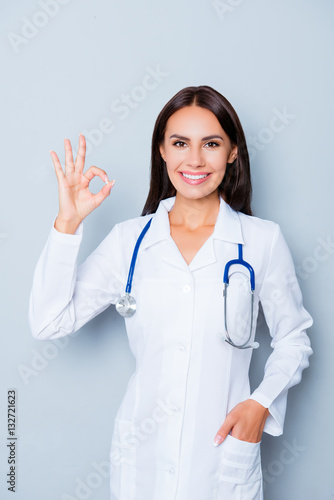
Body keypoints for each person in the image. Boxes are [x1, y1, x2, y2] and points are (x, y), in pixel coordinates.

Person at [29, 85, 313, 500]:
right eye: (180, 143)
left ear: (233, 152)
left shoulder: (261, 241)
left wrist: (260, 405)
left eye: (211, 144)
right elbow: (48, 322)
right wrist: (67, 224)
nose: (194, 160)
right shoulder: (131, 240)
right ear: (162, 151)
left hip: (221, 456)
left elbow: (294, 339)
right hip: (141, 456)